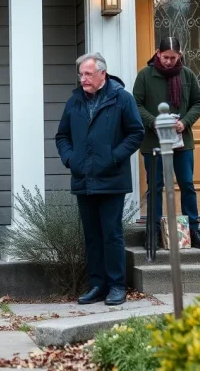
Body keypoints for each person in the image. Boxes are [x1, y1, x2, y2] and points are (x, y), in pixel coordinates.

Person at [55, 52, 144, 306]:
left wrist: (113, 157)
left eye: (88, 74)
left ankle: (117, 286)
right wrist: (71, 160)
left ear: (102, 74)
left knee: (112, 234)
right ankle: (97, 285)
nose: (83, 79)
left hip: (112, 179)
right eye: (81, 74)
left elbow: (136, 133)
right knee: (92, 236)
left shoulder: (121, 99)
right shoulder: (74, 102)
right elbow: (62, 136)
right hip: (84, 179)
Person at [132, 36, 200, 250]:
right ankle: (154, 232)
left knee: (187, 184)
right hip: (153, 142)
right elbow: (136, 104)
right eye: (165, 57)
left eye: (173, 57)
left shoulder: (187, 75)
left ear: (180, 55)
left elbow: (198, 102)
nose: (168, 61)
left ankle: (193, 230)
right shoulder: (145, 75)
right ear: (158, 53)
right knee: (155, 186)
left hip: (181, 141)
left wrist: (185, 122)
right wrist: (153, 121)